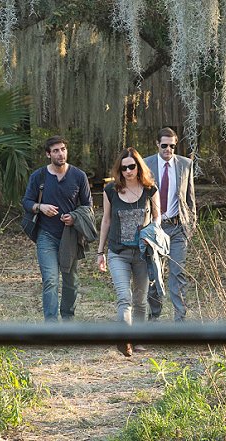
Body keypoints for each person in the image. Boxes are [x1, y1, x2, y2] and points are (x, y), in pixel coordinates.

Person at [97, 148, 161, 356]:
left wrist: (150, 234)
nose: (128, 171)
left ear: (138, 167)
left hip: (143, 253)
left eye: (131, 166)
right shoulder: (111, 191)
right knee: (124, 297)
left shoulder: (150, 190)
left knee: (140, 300)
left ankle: (138, 339)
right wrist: (100, 252)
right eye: (123, 168)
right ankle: (124, 340)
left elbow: (157, 217)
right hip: (118, 252)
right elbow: (106, 220)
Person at [22, 135, 93, 322]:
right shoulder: (39, 176)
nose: (61, 154)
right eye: (56, 151)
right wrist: (41, 207)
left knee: (71, 282)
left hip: (70, 236)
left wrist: (74, 217)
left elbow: (88, 206)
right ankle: (51, 325)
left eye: (63, 149)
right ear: (48, 154)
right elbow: (26, 202)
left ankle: (68, 319)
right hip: (46, 235)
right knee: (51, 280)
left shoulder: (79, 176)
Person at [144, 127, 197, 322]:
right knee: (154, 274)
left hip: (178, 228)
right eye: (164, 145)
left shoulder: (185, 164)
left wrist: (190, 226)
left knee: (178, 273)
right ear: (157, 144)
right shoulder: (146, 164)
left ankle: (180, 321)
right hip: (155, 228)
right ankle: (154, 316)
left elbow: (190, 197)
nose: (168, 149)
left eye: (172, 146)